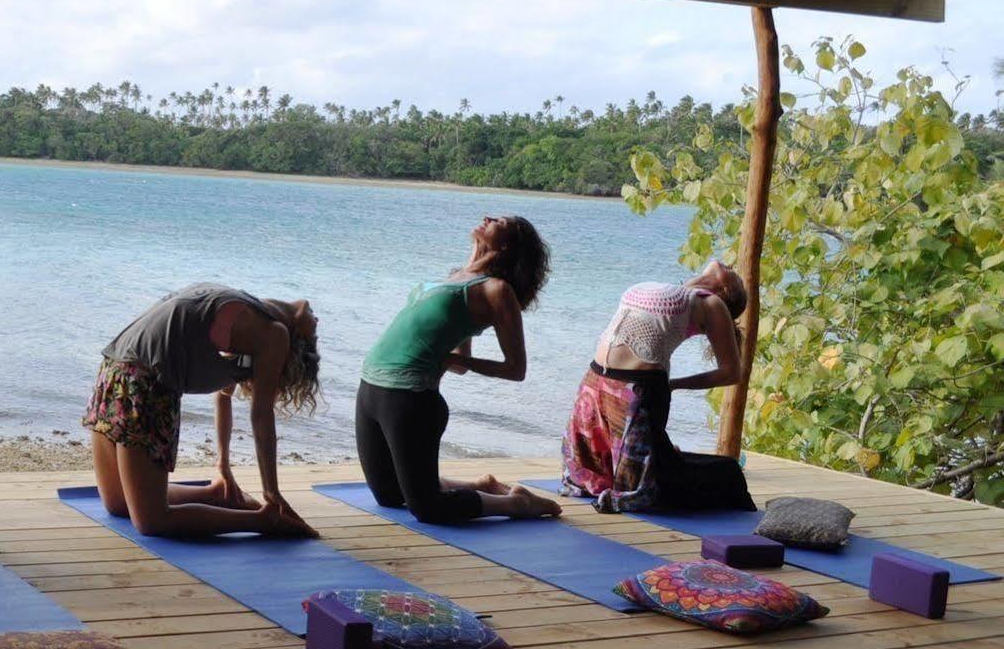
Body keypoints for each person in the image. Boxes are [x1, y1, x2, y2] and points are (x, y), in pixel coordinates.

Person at [355, 215, 559, 523]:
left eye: (498, 220)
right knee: (389, 495)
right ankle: (483, 486)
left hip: (410, 398)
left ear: (506, 245)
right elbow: (454, 338)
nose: (487, 217)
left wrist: (458, 360)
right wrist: (457, 355)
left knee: (427, 509)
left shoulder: (497, 290)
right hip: (370, 386)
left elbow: (515, 368)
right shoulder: (455, 276)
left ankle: (517, 503)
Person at [86, 284, 322, 537]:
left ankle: (219, 495)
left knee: (130, 508)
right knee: (141, 516)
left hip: (116, 370)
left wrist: (223, 465)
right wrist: (272, 493)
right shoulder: (274, 334)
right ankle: (263, 521)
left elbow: (224, 396)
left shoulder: (241, 311)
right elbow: (262, 415)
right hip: (138, 380)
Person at [561, 261, 755, 512]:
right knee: (601, 470)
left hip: (637, 388)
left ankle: (722, 475)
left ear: (727, 291)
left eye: (735, 275)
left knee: (722, 473)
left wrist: (674, 385)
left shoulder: (712, 304)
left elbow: (731, 372)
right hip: (595, 380)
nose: (729, 264)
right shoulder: (679, 292)